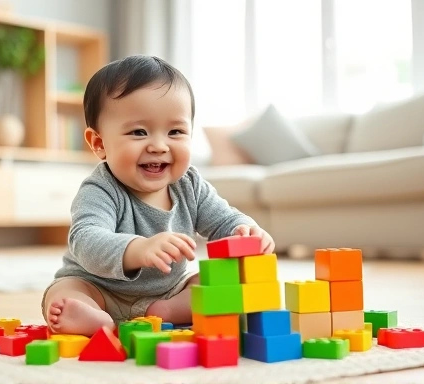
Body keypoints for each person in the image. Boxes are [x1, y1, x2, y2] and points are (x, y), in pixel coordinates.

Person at [42, 55, 275, 337]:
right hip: (100, 289)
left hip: (168, 292)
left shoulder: (190, 185)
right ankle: (91, 317)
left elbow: (224, 220)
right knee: (64, 291)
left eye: (175, 131)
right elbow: (86, 241)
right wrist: (139, 249)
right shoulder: (100, 189)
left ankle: (168, 310)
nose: (159, 145)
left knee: (222, 277)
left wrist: (246, 231)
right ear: (100, 143)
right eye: (139, 132)